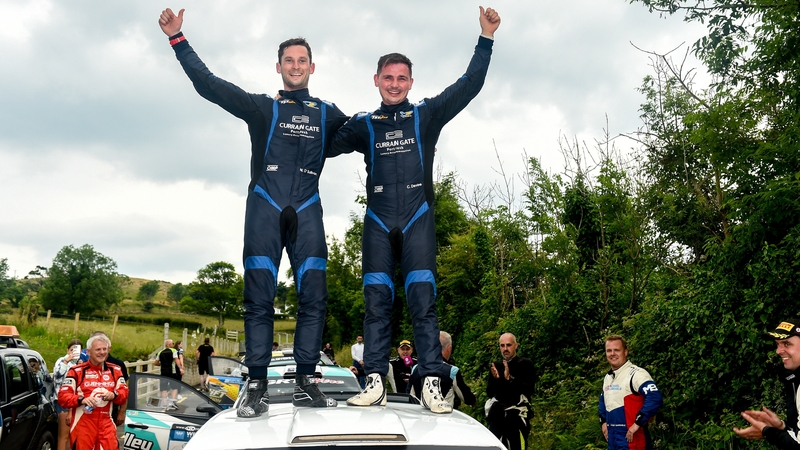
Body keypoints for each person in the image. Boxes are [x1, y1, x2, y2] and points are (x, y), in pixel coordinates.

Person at [159, 8, 347, 417]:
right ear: (278, 67)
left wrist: (413, 136)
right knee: (258, 299)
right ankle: (257, 384)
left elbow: (367, 134)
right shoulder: (262, 107)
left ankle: (305, 382)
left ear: (312, 67)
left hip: (308, 209)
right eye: (288, 61)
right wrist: (178, 40)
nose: (295, 66)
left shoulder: (327, 113)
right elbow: (211, 86)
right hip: (264, 206)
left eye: (302, 60)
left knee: (314, 297)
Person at [335, 6, 500, 414]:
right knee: (376, 301)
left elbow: (469, 85)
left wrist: (486, 38)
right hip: (377, 222)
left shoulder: (425, 114)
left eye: (401, 78)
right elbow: (317, 139)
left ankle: (431, 382)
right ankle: (372, 380)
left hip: (417, 218)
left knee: (423, 301)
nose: (394, 84)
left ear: (411, 82)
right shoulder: (363, 122)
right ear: (376, 81)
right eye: (387, 78)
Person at [734, 318, 800, 447]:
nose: (778, 351)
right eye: (777, 344)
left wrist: (767, 431)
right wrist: (782, 426)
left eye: (786, 344)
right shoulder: (795, 378)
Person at [58, 334, 128, 450]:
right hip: (83, 425)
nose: (102, 352)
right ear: (89, 352)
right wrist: (81, 399)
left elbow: (124, 393)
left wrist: (114, 395)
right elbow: (63, 397)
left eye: (104, 349)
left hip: (106, 424)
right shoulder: (76, 371)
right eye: (98, 349)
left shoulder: (115, 370)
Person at [599, 335, 663, 450]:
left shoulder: (636, 374)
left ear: (626, 352)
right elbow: (603, 402)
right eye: (609, 350)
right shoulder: (608, 377)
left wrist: (637, 424)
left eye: (617, 350)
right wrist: (603, 422)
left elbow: (654, 397)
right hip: (613, 441)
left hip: (633, 441)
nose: (612, 353)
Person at [485, 333, 535, 450]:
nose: (505, 349)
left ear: (516, 346)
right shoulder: (496, 366)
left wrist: (510, 379)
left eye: (508, 345)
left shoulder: (525, 364)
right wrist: (497, 380)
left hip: (516, 416)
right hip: (498, 416)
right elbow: (490, 393)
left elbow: (529, 389)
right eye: (502, 346)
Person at [410, 332, 476, 408]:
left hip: (420, 416)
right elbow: (467, 398)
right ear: (449, 348)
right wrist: (473, 400)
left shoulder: (416, 368)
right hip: (443, 417)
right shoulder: (452, 371)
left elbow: (411, 395)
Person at [54, 338, 82, 450]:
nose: (74, 352)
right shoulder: (61, 361)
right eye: (72, 350)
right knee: (63, 436)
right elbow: (57, 377)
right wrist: (66, 361)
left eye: (77, 350)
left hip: (76, 402)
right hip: (63, 402)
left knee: (73, 435)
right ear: (67, 350)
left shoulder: (80, 364)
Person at [155, 339, 180, 409]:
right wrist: (180, 368)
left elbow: (156, 363)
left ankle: (164, 404)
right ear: (169, 345)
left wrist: (162, 364)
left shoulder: (160, 352)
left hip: (163, 372)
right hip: (172, 372)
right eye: (172, 343)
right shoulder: (174, 351)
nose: (173, 345)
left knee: (163, 389)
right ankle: (172, 402)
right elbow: (176, 359)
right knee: (174, 388)